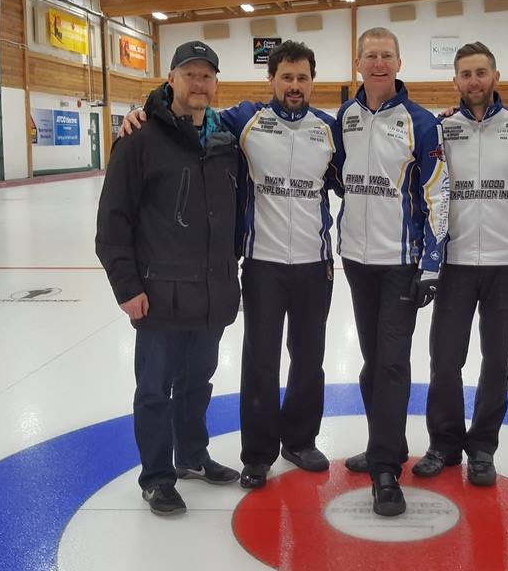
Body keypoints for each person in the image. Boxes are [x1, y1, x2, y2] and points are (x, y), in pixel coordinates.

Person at [119, 41, 341, 491]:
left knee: (309, 359)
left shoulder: (330, 129)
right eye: (286, 77)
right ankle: (257, 454)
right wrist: (137, 111)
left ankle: (300, 440)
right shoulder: (243, 121)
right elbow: (174, 114)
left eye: (302, 78)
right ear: (271, 80)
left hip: (315, 266)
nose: (294, 86)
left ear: (312, 82)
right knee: (259, 362)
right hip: (262, 263)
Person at [96, 40, 241, 516]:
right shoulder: (138, 139)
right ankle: (157, 475)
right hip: (158, 294)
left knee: (198, 380)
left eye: (207, 76)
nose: (199, 84)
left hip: (210, 291)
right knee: (155, 388)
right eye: (190, 74)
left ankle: (192, 457)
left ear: (215, 83)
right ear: (171, 78)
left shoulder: (224, 142)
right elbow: (112, 223)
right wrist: (128, 287)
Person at [411, 42, 508, 487]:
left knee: (497, 360)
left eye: (481, 72)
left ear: (495, 76)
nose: (474, 81)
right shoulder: (442, 129)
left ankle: (482, 447)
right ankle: (444, 444)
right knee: (445, 358)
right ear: (455, 81)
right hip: (455, 263)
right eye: (466, 74)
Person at [335, 27, 450, 516]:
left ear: (399, 63)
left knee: (391, 362)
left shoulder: (421, 123)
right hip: (357, 262)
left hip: (401, 264)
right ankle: (386, 442)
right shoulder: (344, 118)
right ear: (359, 63)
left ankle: (386, 470)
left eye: (386, 55)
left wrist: (431, 263)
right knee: (370, 360)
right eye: (370, 55)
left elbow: (438, 194)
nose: (378, 63)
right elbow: (337, 176)